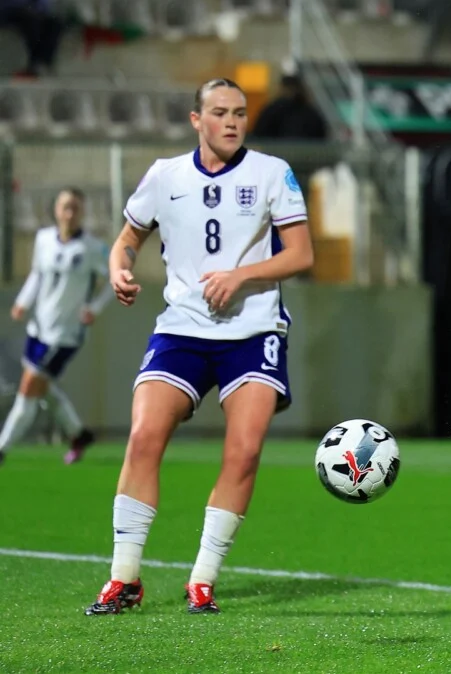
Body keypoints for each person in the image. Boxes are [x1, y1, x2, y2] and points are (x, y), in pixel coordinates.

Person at [85, 78, 314, 616]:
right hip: (182, 328)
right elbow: (127, 239)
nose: (232, 122)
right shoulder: (165, 176)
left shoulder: (271, 172)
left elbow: (301, 254)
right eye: (219, 112)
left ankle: (203, 581)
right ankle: (124, 579)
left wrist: (240, 276)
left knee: (245, 450)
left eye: (239, 112)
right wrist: (119, 269)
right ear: (197, 120)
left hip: (253, 330)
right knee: (143, 437)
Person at [0, 188, 108, 466]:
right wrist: (23, 302)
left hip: (65, 334)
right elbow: (37, 274)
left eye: (75, 208)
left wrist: (93, 308)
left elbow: (114, 279)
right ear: (56, 211)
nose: (70, 213)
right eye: (65, 207)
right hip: (39, 328)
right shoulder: (44, 239)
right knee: (43, 388)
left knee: (28, 388)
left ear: (82, 212)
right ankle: (78, 434)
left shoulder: (92, 249)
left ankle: (2, 447)